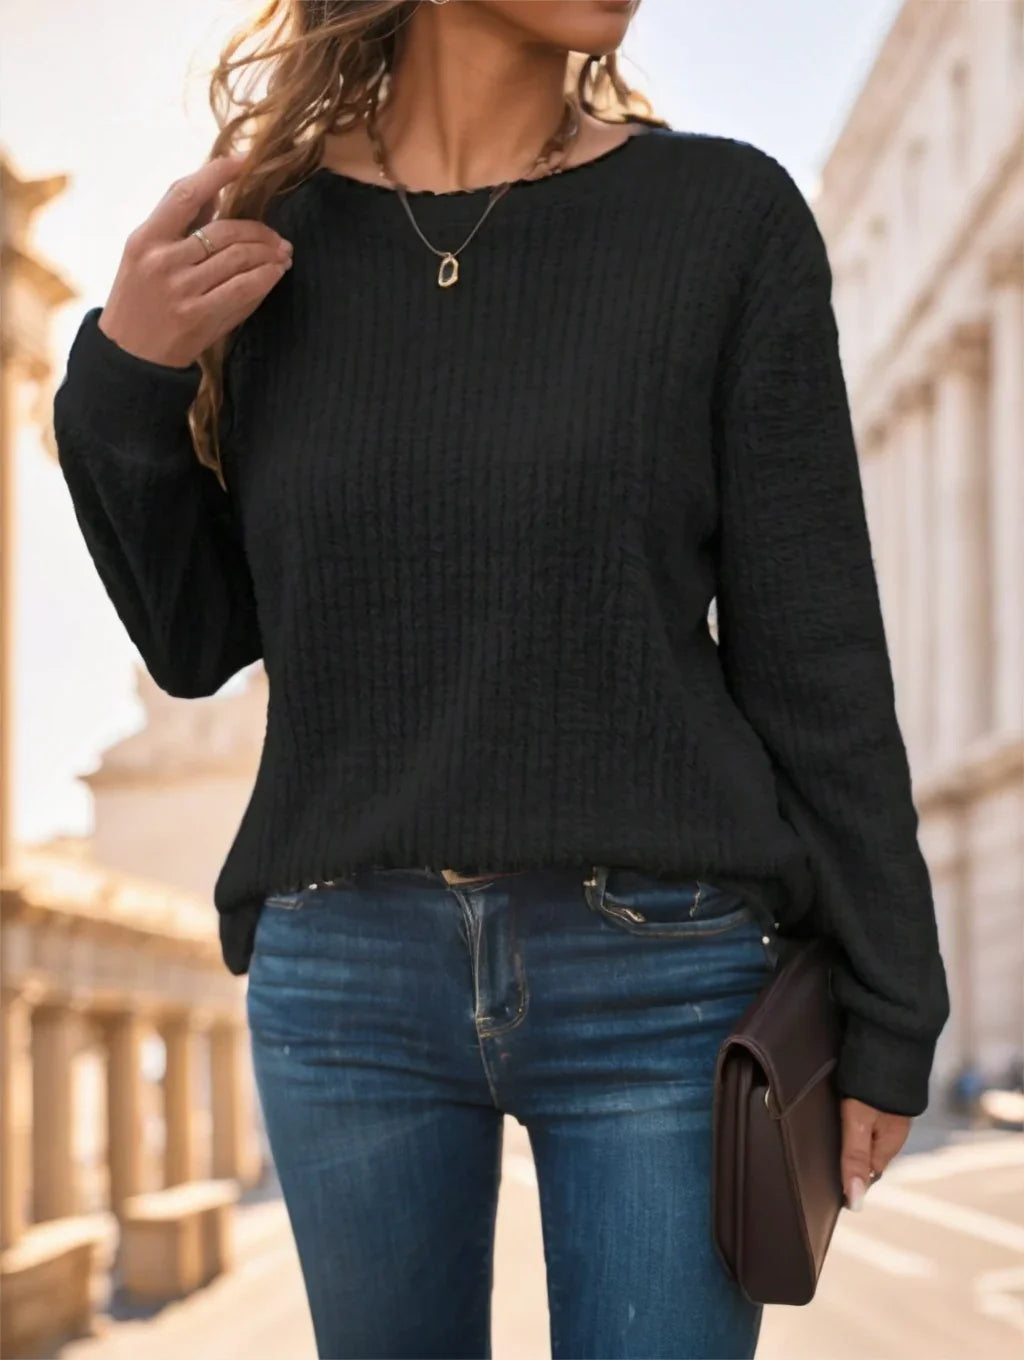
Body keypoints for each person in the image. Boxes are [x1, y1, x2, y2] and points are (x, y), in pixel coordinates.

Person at [51, 2, 951, 1356]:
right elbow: (198, 641)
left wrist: (891, 1001)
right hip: (345, 979)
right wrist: (124, 378)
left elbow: (813, 651)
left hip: (664, 978)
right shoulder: (269, 238)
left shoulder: (724, 220)